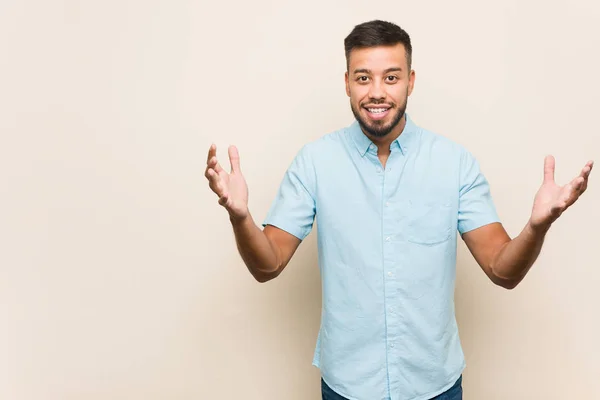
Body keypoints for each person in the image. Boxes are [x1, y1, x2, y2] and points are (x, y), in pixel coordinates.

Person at [204, 20, 593, 400]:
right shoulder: (315, 162)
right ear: (346, 84)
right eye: (363, 78)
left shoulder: (454, 162)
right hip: (347, 388)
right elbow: (267, 265)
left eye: (391, 77)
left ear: (411, 80)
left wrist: (537, 226)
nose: (377, 92)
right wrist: (240, 217)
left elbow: (501, 270)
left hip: (435, 387)